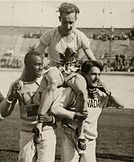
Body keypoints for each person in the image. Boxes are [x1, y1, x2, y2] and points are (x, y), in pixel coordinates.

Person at [41, 60, 124, 162]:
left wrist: (108, 91)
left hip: (89, 141)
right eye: (93, 74)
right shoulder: (73, 91)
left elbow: (121, 105)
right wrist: (72, 115)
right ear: (84, 75)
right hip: (70, 137)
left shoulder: (101, 95)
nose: (96, 78)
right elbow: (55, 108)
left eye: (99, 74)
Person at [0, 51, 57, 162]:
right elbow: (3, 112)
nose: (41, 67)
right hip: (26, 133)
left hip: (46, 133)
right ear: (27, 65)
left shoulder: (49, 82)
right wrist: (11, 97)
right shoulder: (18, 84)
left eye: (42, 64)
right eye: (37, 64)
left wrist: (53, 120)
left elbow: (58, 109)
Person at [32, 2, 96, 149]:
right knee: (53, 82)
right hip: (55, 68)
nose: (68, 26)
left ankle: (80, 133)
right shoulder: (50, 34)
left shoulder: (80, 36)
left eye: (71, 23)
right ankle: (39, 125)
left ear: (76, 19)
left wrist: (97, 73)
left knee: (82, 89)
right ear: (59, 18)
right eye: (65, 22)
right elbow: (36, 54)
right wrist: (30, 72)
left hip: (73, 71)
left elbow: (90, 56)